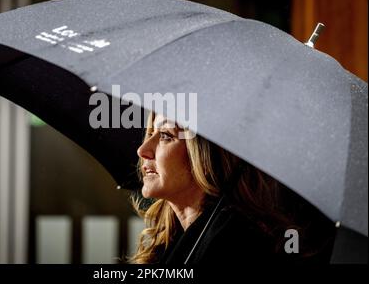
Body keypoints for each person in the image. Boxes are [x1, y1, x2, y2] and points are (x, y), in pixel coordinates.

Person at [128, 112, 335, 264]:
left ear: (204, 157)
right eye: (150, 133)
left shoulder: (237, 244)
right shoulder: (172, 242)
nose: (143, 150)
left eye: (166, 135)